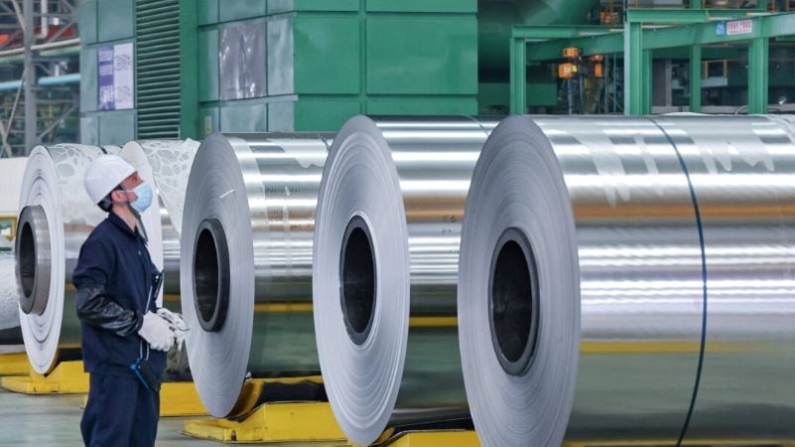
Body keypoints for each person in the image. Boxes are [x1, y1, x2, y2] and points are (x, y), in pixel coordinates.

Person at [73, 154, 186, 447]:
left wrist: (159, 315)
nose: (143, 184)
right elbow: (88, 303)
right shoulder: (102, 243)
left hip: (143, 366)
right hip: (116, 367)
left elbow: (135, 297)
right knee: (111, 439)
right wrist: (139, 323)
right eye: (134, 180)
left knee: (141, 439)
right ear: (117, 194)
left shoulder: (136, 241)